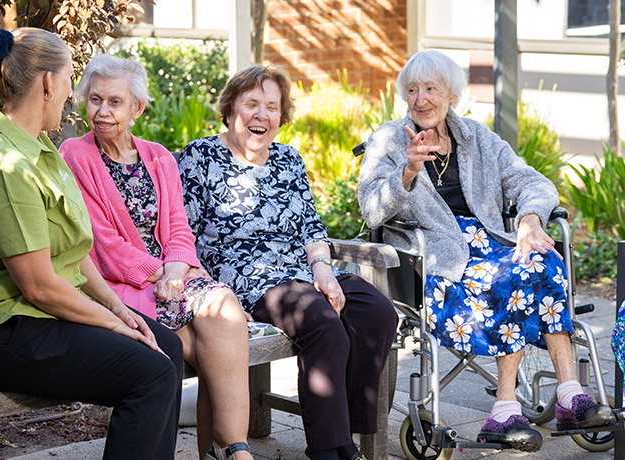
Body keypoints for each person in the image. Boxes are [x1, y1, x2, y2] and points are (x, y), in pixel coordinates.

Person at [0, 28, 183, 460]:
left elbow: (72, 250)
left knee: (169, 346)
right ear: (48, 83)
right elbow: (39, 286)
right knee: (151, 373)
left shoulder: (39, 148)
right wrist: (114, 325)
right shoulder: (5, 165)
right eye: (71, 79)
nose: (73, 94)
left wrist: (117, 307)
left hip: (35, 319)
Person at [357, 49, 615, 452]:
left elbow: (532, 182)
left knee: (542, 258)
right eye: (412, 90)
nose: (420, 99)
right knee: (512, 275)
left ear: (451, 95)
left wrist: (530, 219)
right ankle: (504, 410)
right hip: (437, 258)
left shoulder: (477, 137)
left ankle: (568, 392)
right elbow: (372, 209)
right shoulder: (389, 140)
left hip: (490, 243)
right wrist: (406, 171)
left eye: (431, 89)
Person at [178, 64, 398, 460]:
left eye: (272, 107)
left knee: (377, 312)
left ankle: (345, 431)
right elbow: (182, 235)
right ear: (230, 110)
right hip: (245, 276)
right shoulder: (201, 156)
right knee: (323, 323)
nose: (261, 115)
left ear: (282, 116)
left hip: (299, 269)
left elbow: (311, 227)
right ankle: (331, 450)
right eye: (251, 104)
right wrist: (207, 292)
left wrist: (323, 270)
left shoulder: (288, 160)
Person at [59, 54, 253, 460]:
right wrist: (159, 275)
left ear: (137, 108)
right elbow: (102, 245)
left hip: (173, 281)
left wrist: (177, 271)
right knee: (211, 333)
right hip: (117, 287)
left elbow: (179, 229)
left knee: (223, 310)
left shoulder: (159, 156)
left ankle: (234, 448)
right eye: (95, 100)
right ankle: (224, 449)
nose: (102, 111)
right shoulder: (75, 154)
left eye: (115, 101)